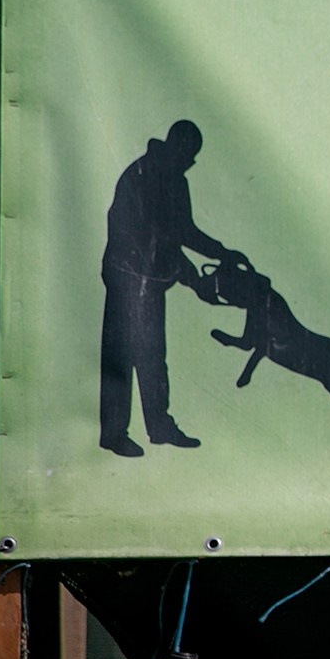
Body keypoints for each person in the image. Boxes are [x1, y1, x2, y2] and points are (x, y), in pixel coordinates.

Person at [99, 118, 239, 456]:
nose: (190, 162)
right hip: (126, 275)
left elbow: (183, 230)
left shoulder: (173, 178)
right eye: (188, 155)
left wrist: (221, 252)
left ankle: (159, 427)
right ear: (178, 147)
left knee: (152, 355)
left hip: (150, 277)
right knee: (122, 355)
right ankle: (114, 434)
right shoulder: (145, 176)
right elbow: (165, 238)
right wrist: (194, 279)